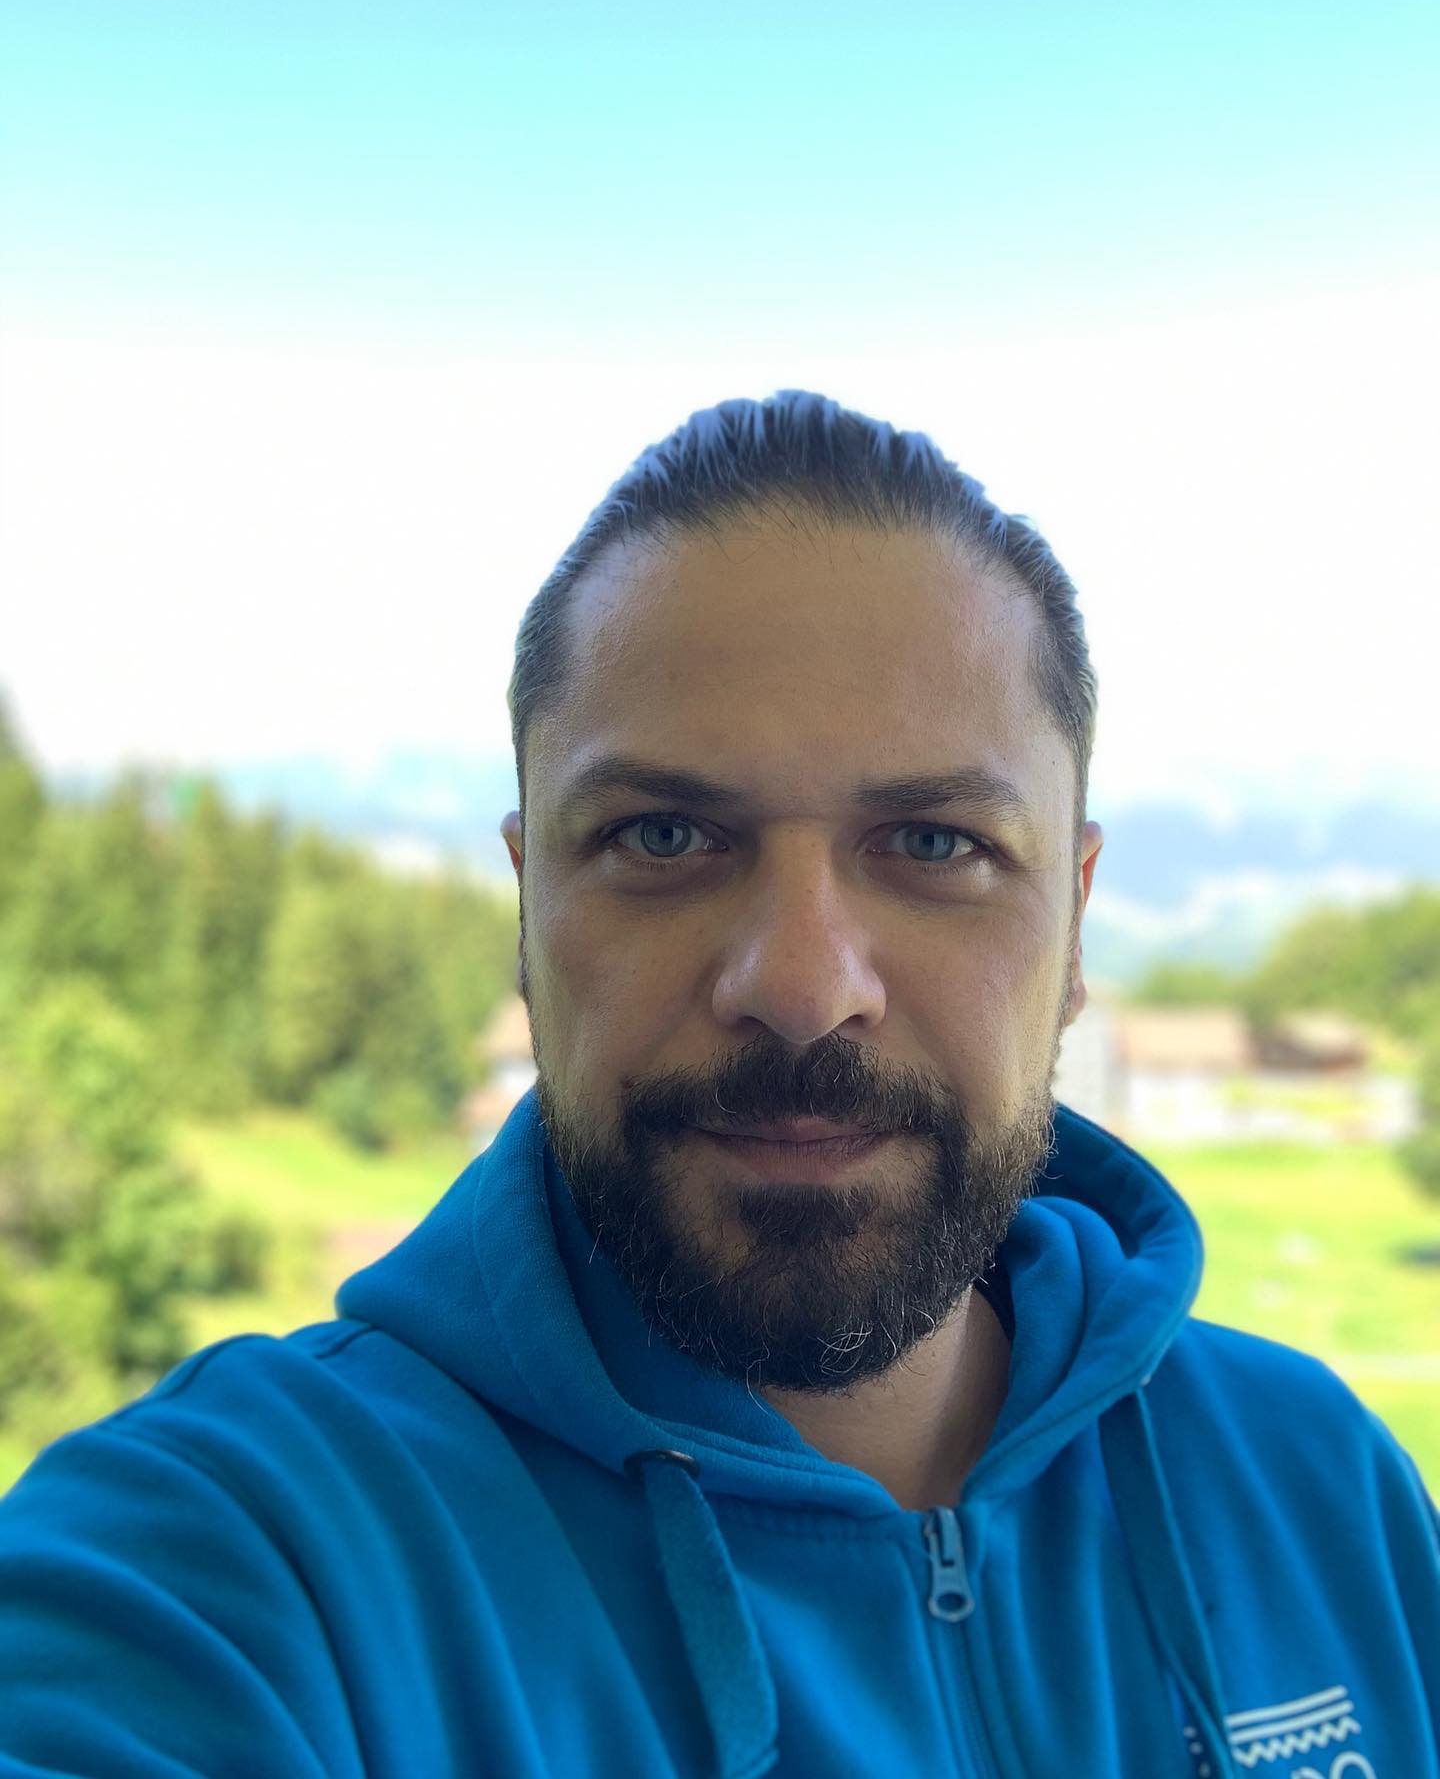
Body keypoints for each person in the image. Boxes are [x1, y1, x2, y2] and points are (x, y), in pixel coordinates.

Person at [0, 391, 1435, 1779]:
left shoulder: (1322, 1494)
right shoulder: (234, 1567)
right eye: (665, 836)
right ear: (528, 910)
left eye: (935, 844)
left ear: (1073, 925)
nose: (803, 987)